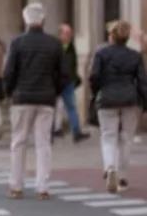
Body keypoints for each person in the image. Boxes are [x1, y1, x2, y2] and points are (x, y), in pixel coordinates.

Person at [2, 3, 67, 200]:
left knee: (19, 142)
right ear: (43, 20)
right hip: (46, 98)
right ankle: (42, 186)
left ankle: (16, 185)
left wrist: (10, 91)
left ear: (26, 20)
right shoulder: (54, 44)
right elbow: (64, 73)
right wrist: (55, 91)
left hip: (22, 97)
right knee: (43, 143)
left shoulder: (17, 43)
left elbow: (9, 72)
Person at [90, 20, 147, 192]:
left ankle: (110, 168)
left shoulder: (101, 53)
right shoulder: (135, 55)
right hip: (130, 99)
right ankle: (123, 176)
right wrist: (144, 102)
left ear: (111, 37)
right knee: (126, 138)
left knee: (108, 136)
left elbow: (94, 76)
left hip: (107, 99)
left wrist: (97, 91)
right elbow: (142, 81)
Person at [53, 24, 90, 142]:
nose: (69, 35)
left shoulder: (71, 46)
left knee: (71, 107)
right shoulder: (55, 46)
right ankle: (52, 131)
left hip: (67, 82)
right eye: (66, 33)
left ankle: (76, 132)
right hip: (56, 81)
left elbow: (72, 65)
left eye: (70, 33)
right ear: (60, 34)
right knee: (52, 108)